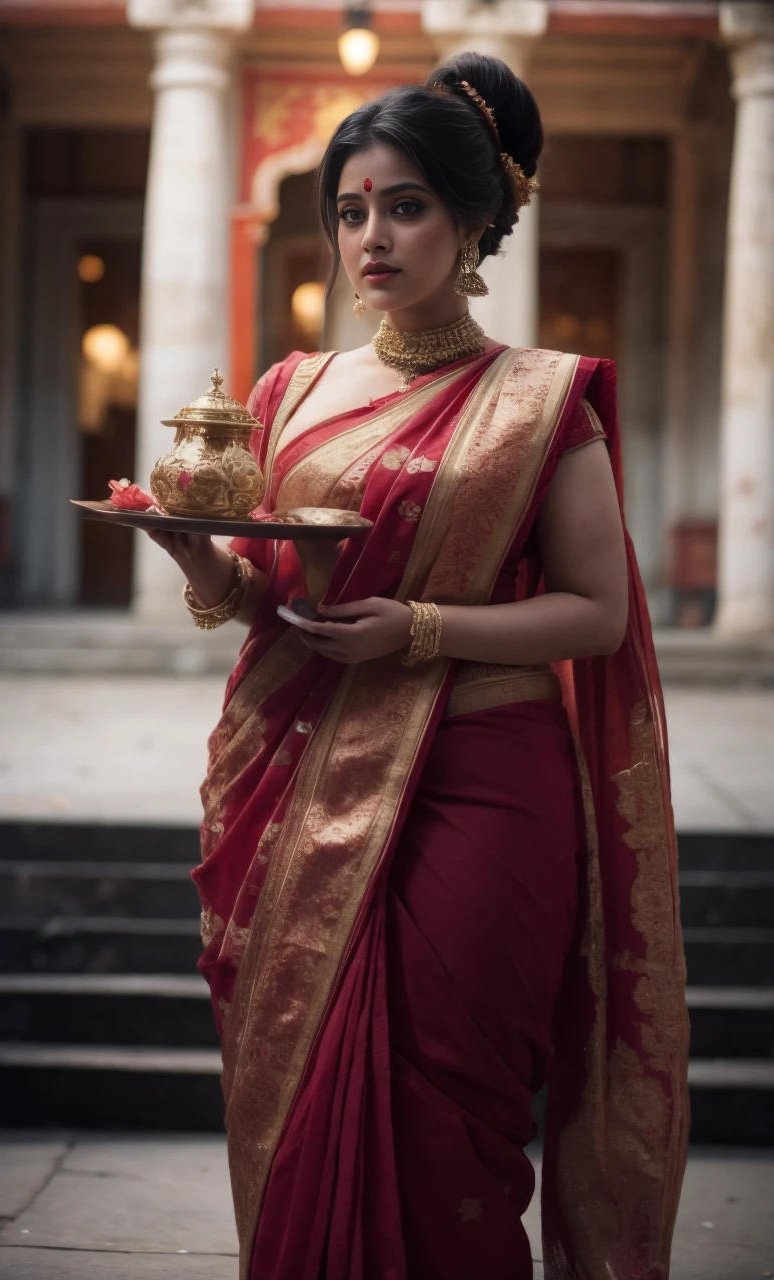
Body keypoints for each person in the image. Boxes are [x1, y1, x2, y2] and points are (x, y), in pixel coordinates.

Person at [148, 52, 689, 1280]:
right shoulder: (289, 393)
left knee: (452, 1106)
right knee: (302, 1087)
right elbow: (263, 601)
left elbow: (595, 613)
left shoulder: (541, 401)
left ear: (471, 223)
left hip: (485, 782)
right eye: (350, 209)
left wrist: (425, 630)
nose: (371, 237)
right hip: (298, 772)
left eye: (405, 207)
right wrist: (197, 562)